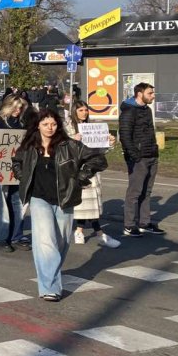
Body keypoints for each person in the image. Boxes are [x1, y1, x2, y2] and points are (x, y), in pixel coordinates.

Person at [13, 108, 107, 301]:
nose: (50, 128)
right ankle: (50, 288)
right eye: (45, 124)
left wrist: (80, 178)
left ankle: (51, 274)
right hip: (39, 198)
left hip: (65, 199)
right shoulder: (29, 146)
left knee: (61, 242)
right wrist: (23, 179)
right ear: (37, 125)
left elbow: (98, 159)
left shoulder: (70, 145)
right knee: (45, 241)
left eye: (54, 124)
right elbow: (16, 163)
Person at [64, 100, 120, 248]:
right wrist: (72, 140)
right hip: (78, 170)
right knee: (84, 204)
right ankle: (97, 233)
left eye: (86, 110)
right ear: (74, 111)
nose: (84, 113)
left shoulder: (93, 127)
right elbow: (62, 148)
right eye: (81, 110)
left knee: (91, 204)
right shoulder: (68, 128)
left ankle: (81, 231)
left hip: (93, 169)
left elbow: (101, 150)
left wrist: (110, 142)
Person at [0, 94, 30, 253]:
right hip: (1, 170)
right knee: (0, 204)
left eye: (21, 107)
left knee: (18, 203)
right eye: (15, 107)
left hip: (18, 171)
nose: (18, 110)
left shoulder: (23, 124)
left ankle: (16, 236)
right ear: (8, 106)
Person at [118, 82, 165, 237]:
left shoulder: (147, 110)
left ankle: (144, 222)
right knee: (135, 192)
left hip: (151, 154)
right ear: (140, 94)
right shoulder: (129, 111)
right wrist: (135, 156)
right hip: (138, 158)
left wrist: (154, 151)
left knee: (147, 191)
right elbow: (124, 136)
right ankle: (129, 225)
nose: (153, 96)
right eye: (150, 93)